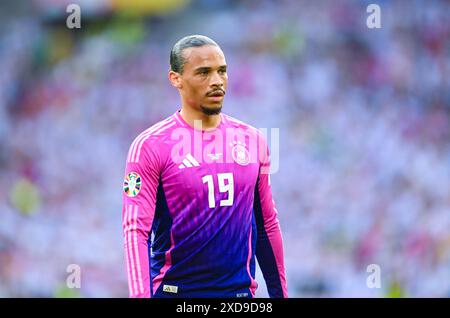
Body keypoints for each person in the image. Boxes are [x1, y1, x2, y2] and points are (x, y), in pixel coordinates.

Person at [122, 35, 287, 298]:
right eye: (203, 73)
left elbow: (267, 225)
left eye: (222, 71)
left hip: (238, 296)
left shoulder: (253, 140)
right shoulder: (151, 146)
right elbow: (135, 231)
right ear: (175, 79)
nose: (217, 81)